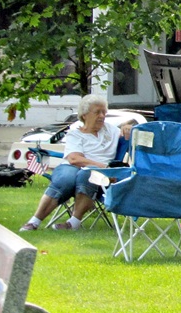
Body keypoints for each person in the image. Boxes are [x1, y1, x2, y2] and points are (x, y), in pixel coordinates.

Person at [18, 93, 132, 232]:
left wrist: (128, 128)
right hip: (71, 167)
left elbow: (133, 134)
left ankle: (73, 223)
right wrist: (103, 166)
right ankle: (34, 221)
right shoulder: (75, 134)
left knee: (87, 175)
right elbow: (74, 159)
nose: (102, 116)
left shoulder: (112, 131)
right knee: (66, 179)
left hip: (95, 174)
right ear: (84, 115)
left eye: (104, 112)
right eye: (97, 112)